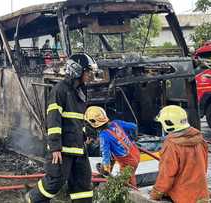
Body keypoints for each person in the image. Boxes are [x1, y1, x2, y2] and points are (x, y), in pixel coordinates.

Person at [26, 53, 97, 203]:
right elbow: (53, 120)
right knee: (54, 182)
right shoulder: (60, 90)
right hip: (63, 149)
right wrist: (55, 147)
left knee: (83, 185)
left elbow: (78, 120)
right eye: (87, 71)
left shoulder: (80, 92)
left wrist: (86, 134)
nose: (90, 75)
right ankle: (32, 199)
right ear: (77, 71)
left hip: (78, 148)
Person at [150, 105, 209, 203]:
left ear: (168, 123)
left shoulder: (172, 145)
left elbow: (167, 174)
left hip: (183, 197)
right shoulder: (200, 140)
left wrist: (156, 193)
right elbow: (204, 167)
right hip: (201, 195)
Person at [84, 106, 140, 186]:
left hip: (127, 162)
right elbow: (134, 126)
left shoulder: (104, 136)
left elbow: (105, 155)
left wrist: (105, 171)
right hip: (135, 152)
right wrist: (132, 138)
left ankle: (135, 193)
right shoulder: (116, 123)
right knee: (113, 156)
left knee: (127, 183)